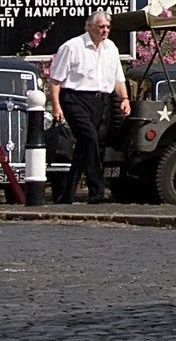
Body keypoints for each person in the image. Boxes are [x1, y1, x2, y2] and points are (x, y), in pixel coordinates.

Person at [47, 11, 130, 204]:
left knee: (84, 147)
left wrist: (124, 98)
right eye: (101, 26)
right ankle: (97, 190)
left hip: (100, 101)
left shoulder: (111, 48)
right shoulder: (71, 47)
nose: (105, 30)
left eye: (108, 27)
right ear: (89, 27)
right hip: (75, 99)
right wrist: (56, 106)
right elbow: (55, 80)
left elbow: (118, 79)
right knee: (89, 138)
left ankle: (66, 195)